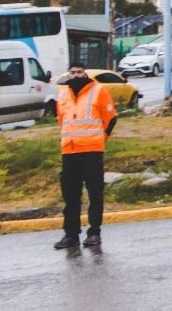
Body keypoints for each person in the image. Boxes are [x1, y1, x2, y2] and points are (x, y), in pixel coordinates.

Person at [53, 63, 118, 250]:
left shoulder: (98, 91)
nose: (76, 75)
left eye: (79, 72)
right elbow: (61, 120)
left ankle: (94, 232)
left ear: (85, 74)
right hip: (69, 151)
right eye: (72, 73)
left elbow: (111, 119)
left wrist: (101, 139)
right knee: (70, 195)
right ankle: (71, 234)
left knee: (95, 192)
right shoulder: (63, 94)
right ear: (68, 75)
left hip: (92, 151)